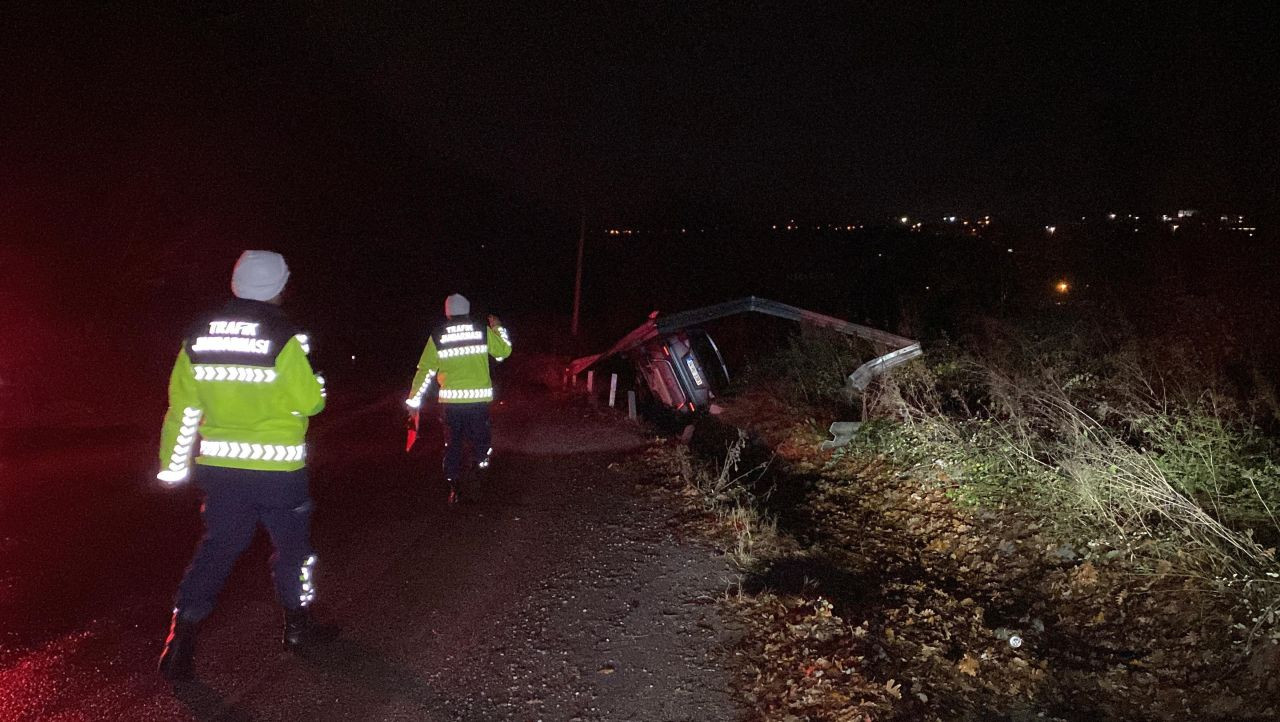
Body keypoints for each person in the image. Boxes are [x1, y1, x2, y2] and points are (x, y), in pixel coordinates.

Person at [155, 250, 335, 681]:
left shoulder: (197, 335)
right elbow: (310, 402)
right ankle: (297, 628)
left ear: (236, 282)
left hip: (221, 471)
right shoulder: (282, 335)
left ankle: (180, 638)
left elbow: (182, 409)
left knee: (218, 548)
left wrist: (173, 466)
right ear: (278, 286)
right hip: (278, 474)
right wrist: (319, 386)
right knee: (294, 552)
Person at [405, 293, 512, 503]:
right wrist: (497, 327)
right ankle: (479, 468)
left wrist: (413, 402)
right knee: (480, 439)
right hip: (477, 403)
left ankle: (454, 485)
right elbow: (504, 351)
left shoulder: (438, 335)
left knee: (452, 445)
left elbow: (425, 371)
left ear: (447, 312)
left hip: (451, 405)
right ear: (468, 309)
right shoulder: (481, 330)